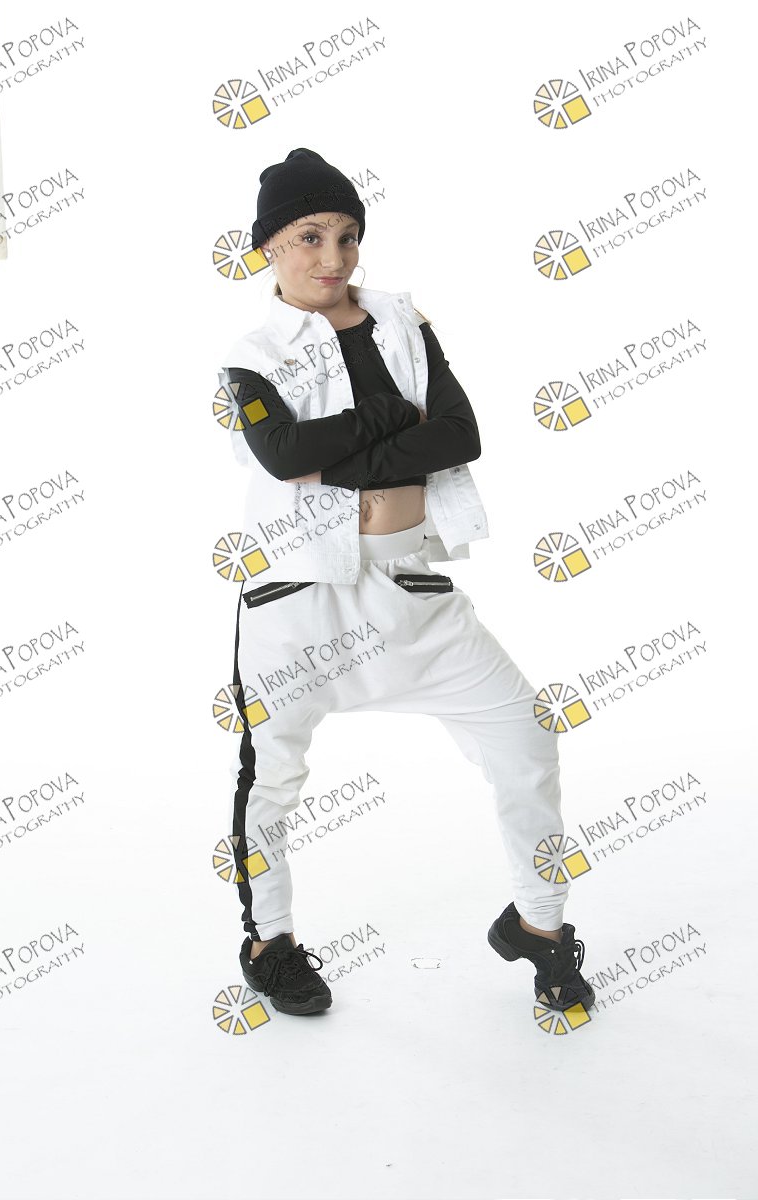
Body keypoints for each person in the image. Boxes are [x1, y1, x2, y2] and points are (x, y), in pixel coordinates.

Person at [220, 148, 594, 1019]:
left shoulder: (402, 321)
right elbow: (282, 455)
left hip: (411, 590)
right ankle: (269, 942)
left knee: (526, 738)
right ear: (269, 246)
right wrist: (392, 418)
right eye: (310, 237)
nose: (334, 257)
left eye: (348, 236)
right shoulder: (252, 355)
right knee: (271, 779)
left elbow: (459, 434)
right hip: (299, 601)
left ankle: (538, 926)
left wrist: (341, 452)